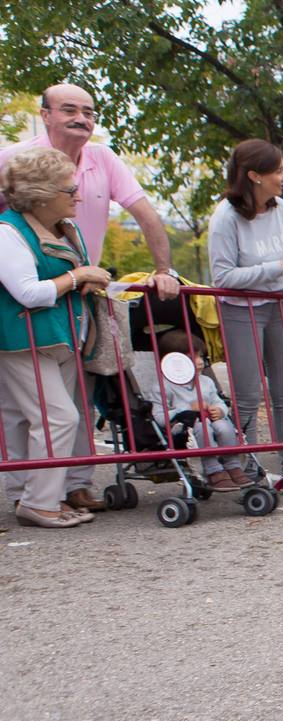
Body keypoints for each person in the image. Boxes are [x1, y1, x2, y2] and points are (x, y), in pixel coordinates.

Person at [207, 138, 283, 500]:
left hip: (280, 304)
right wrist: (279, 266)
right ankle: (247, 469)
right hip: (241, 309)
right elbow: (223, 277)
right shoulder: (225, 217)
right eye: (277, 171)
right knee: (247, 394)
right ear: (254, 176)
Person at [0, 146, 108, 527]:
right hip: (22, 340)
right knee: (58, 418)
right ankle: (39, 502)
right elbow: (28, 292)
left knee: (30, 419)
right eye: (69, 189)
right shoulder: (8, 232)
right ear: (42, 194)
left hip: (61, 337)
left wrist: (82, 278)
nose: (77, 195)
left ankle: (35, 496)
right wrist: (79, 277)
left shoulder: (67, 228)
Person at [0, 85, 179, 301]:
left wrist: (164, 272)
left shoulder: (103, 157)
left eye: (88, 113)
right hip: (22, 294)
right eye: (69, 110)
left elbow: (147, 215)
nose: (81, 119)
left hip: (82, 288)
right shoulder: (13, 159)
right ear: (45, 115)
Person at [150, 330, 249, 491]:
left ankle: (233, 465)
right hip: (183, 428)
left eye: (200, 356)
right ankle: (213, 470)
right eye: (192, 358)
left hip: (210, 421)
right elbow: (160, 417)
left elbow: (218, 401)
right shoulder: (162, 386)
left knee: (224, 426)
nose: (200, 362)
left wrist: (220, 410)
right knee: (201, 427)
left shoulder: (206, 382)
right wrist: (187, 409)